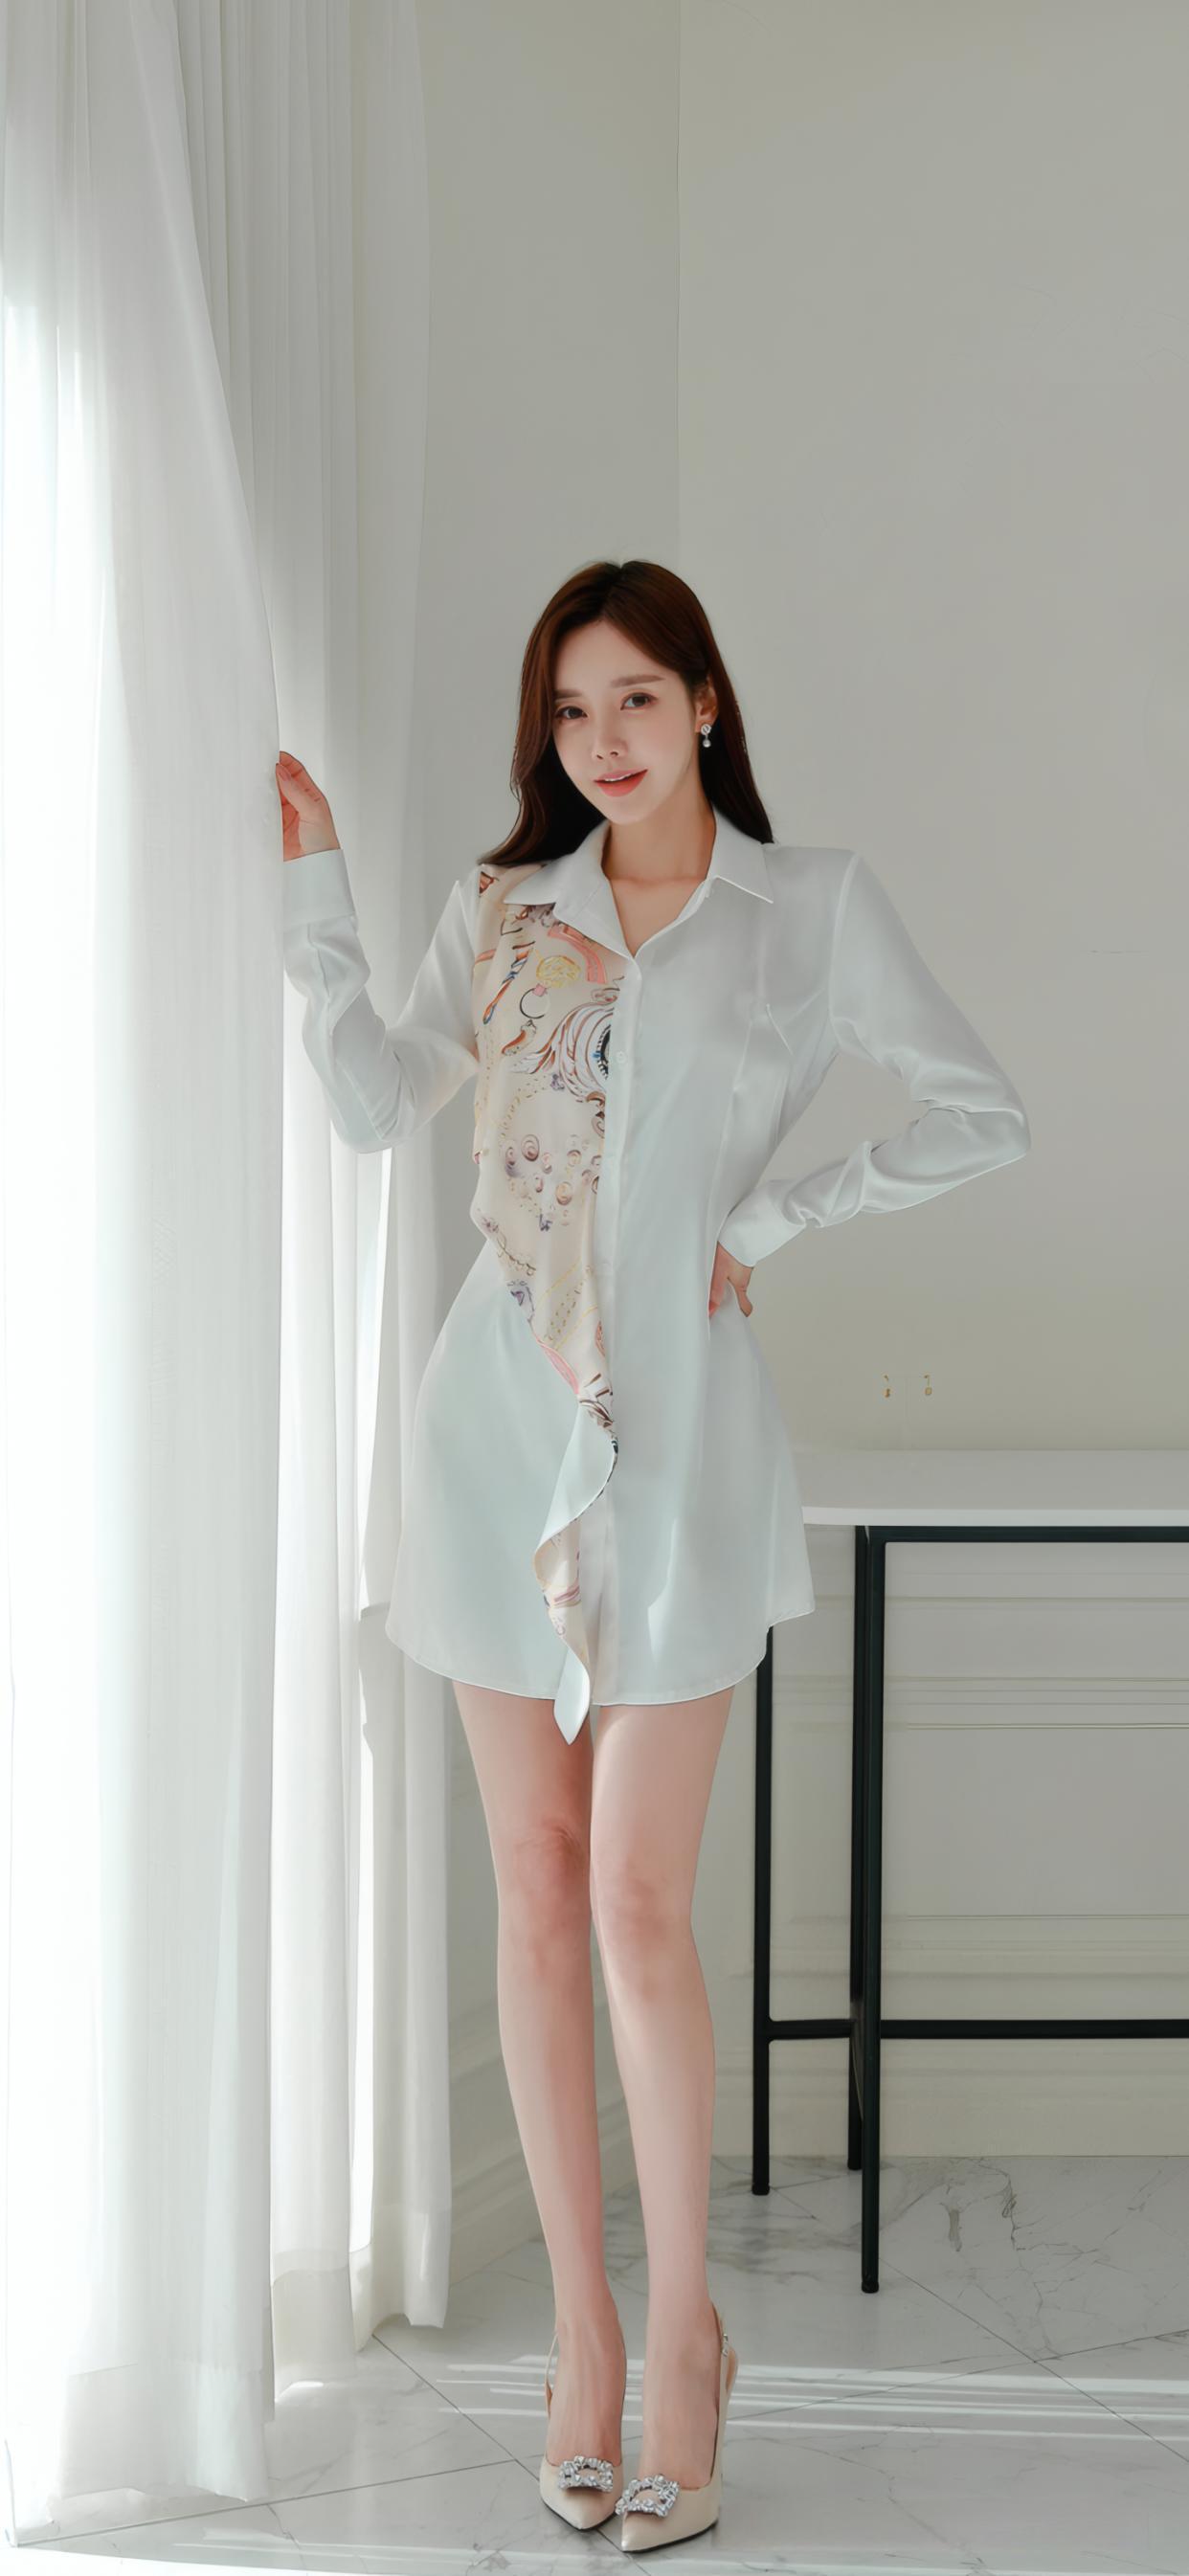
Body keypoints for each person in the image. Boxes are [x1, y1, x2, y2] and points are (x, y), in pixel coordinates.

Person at [275, 557, 1031, 2548]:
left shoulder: (808, 911)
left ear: (704, 702)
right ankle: (586, 2341)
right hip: (489, 1438)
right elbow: (373, 1100)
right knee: (535, 1894)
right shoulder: (504, 912)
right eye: (568, 709)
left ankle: (688, 2331)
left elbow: (982, 1111)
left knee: (633, 1902)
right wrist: (313, 899)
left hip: (681, 1455)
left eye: (634, 699)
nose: (600, 740)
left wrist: (761, 1229)